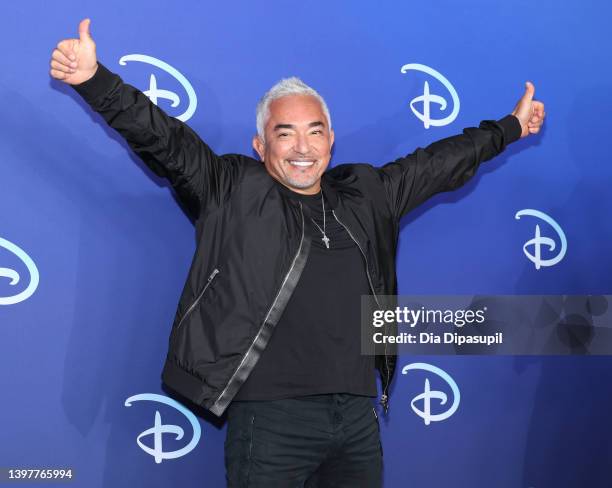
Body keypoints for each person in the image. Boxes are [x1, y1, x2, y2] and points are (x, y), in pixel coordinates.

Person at [50, 18, 545, 488]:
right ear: (260, 145)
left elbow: (438, 163)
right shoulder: (232, 189)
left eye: (314, 131)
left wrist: (509, 127)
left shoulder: (367, 194)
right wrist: (94, 79)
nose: (302, 146)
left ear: (331, 141)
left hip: (356, 417)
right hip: (270, 421)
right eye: (284, 133)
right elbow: (165, 139)